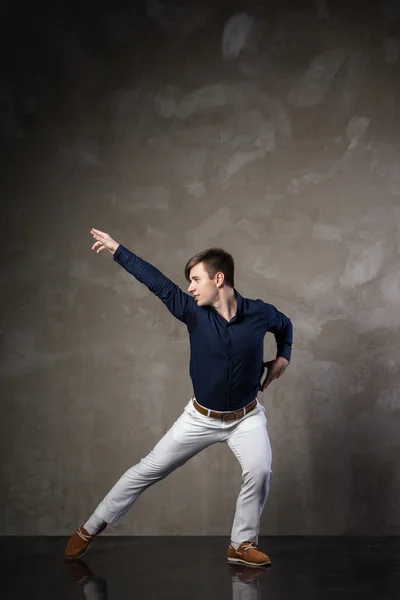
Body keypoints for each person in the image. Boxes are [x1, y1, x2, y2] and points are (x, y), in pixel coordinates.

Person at [64, 228, 293, 566]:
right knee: (145, 471)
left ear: (219, 279)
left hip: (246, 417)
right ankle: (91, 526)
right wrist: (118, 250)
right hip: (200, 418)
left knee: (259, 471)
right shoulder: (193, 312)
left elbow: (285, 325)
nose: (190, 287)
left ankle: (241, 544)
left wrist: (283, 356)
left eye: (196, 279)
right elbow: (156, 281)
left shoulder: (259, 313)